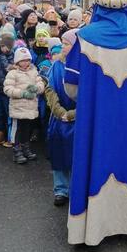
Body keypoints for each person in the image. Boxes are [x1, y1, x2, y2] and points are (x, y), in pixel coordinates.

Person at [64, 0, 127, 245]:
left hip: (97, 121)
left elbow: (71, 88)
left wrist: (94, 99)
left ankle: (91, 230)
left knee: (95, 159)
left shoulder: (83, 38)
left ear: (97, 6)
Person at [45, 29, 78, 206]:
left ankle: (75, 190)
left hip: (78, 120)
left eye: (66, 44)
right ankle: (60, 189)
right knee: (59, 154)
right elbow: (49, 89)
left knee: (75, 156)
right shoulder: (56, 65)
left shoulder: (84, 69)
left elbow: (90, 96)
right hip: (58, 118)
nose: (62, 47)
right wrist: (59, 111)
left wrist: (73, 114)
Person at [4, 47, 45, 164]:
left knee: (27, 129)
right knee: (18, 129)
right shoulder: (13, 73)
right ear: (17, 61)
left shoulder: (34, 71)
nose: (26, 62)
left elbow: (40, 83)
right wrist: (22, 93)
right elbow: (7, 89)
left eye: (28, 60)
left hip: (30, 107)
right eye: (23, 60)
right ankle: (17, 150)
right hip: (18, 107)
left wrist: (37, 88)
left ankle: (26, 148)